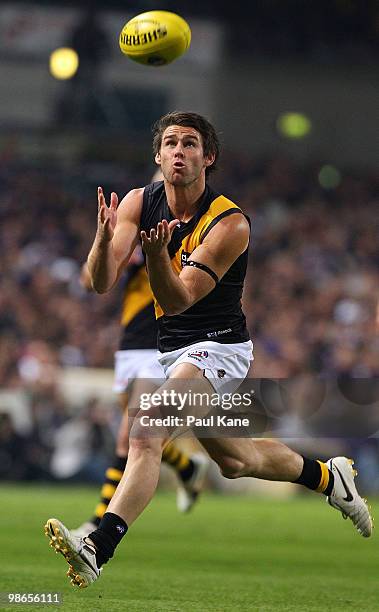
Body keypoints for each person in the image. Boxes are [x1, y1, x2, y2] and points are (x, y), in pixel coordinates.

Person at [45, 111, 373, 588]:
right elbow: (97, 283)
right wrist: (102, 236)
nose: (180, 151)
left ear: (208, 157)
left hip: (219, 349)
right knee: (237, 462)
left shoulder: (230, 222)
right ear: (158, 157)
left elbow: (178, 300)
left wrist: (156, 255)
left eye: (191, 144)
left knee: (145, 431)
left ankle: (99, 545)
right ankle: (328, 478)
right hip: (173, 352)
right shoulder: (139, 202)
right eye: (171, 143)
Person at [71, 246, 209, 539]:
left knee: (128, 435)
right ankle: (187, 468)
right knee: (140, 436)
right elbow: (88, 280)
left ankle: (97, 524)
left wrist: (157, 254)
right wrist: (110, 248)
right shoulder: (130, 230)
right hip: (130, 345)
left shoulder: (187, 231)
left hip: (163, 342)